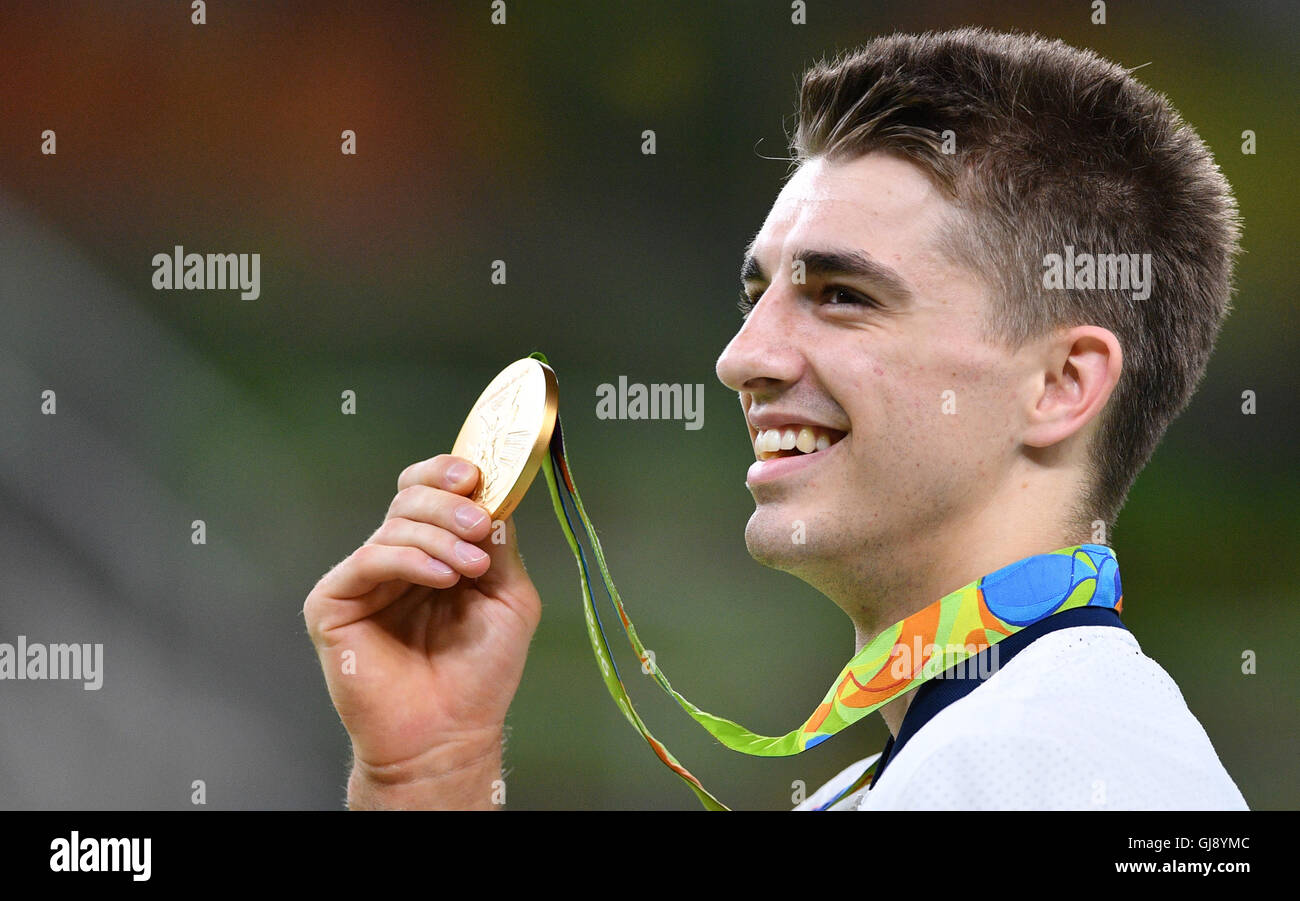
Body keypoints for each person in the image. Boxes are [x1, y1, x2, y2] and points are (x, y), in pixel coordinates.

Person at [303, 27, 1247, 810]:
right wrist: (430, 775)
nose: (742, 358)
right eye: (755, 296)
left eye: (841, 295)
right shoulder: (948, 763)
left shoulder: (1061, 769)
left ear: (1061, 385)